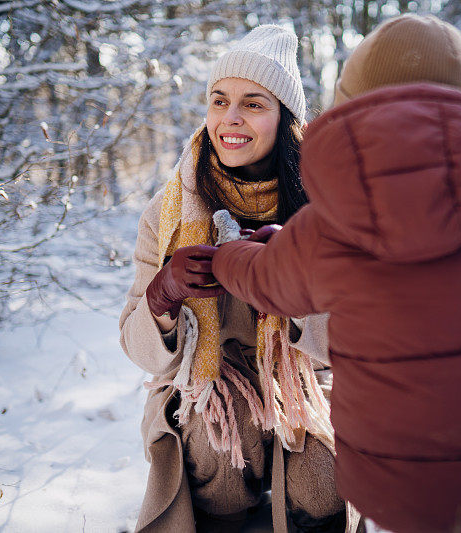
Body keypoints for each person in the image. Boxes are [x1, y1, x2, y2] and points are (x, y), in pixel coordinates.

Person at [209, 14, 461, 533]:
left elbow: (266, 281)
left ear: (353, 104)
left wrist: (228, 254)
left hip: (395, 494)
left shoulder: (327, 228)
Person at [119, 25, 346, 533]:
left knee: (322, 478)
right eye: (219, 101)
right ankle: (221, 521)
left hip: (305, 377)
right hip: (202, 384)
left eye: (254, 104)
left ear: (286, 120)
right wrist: (164, 295)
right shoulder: (172, 209)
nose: (231, 119)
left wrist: (297, 288)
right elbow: (137, 348)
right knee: (221, 440)